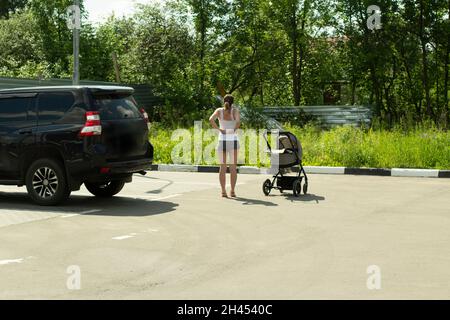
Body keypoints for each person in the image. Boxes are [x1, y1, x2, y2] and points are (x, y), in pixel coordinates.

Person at [209, 94, 241, 198]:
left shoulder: (219, 111)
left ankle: (223, 191)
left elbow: (211, 119)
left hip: (222, 140)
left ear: (224, 102)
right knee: (233, 168)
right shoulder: (235, 111)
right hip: (233, 141)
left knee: (222, 167)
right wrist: (233, 131)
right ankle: (232, 191)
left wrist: (219, 130)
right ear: (233, 102)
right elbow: (238, 122)